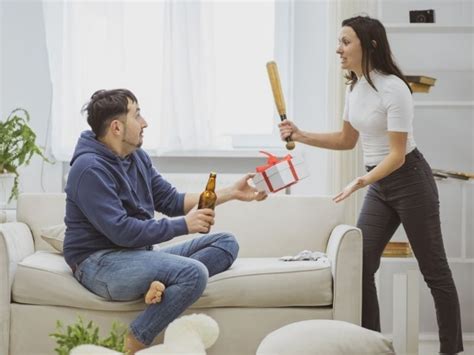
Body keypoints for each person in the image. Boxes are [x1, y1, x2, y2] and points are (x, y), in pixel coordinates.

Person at [279, 16, 463, 355]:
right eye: (339, 41)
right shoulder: (355, 87)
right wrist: (301, 134)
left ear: (370, 44)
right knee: (360, 265)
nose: (339, 49)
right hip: (380, 184)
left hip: (409, 180)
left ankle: (451, 350)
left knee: (434, 270)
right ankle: (372, 345)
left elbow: (397, 155)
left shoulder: (395, 88)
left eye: (346, 42)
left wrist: (361, 180)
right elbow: (347, 140)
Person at [63, 88, 267, 354]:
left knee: (226, 243)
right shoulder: (89, 169)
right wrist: (185, 225)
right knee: (193, 273)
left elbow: (171, 201)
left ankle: (159, 284)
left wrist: (231, 193)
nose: (145, 122)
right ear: (116, 127)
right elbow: (122, 231)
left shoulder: (136, 157)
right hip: (99, 264)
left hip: (136, 256)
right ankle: (132, 342)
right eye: (137, 115)